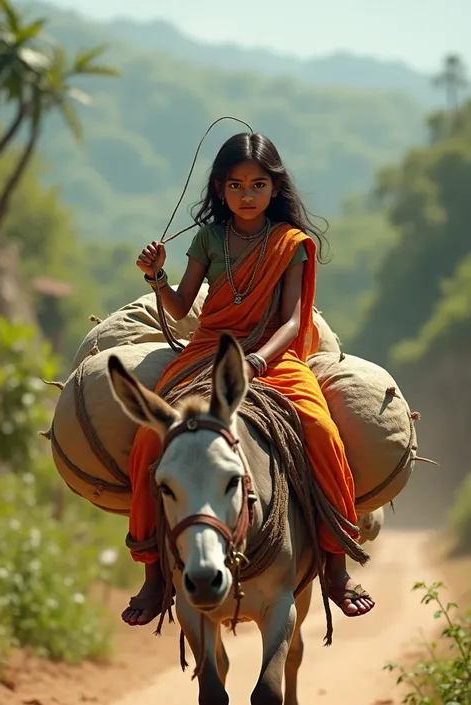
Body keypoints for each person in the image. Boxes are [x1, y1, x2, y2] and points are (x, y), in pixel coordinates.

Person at [121, 132, 375, 627]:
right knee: (149, 444)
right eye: (235, 184)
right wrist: (156, 277)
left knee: (321, 433)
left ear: (275, 188)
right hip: (206, 354)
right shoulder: (208, 239)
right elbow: (178, 307)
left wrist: (258, 360)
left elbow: (291, 318)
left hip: (272, 358)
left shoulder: (291, 244)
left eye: (258, 184)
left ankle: (336, 565)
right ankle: (154, 575)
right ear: (219, 189)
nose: (247, 194)